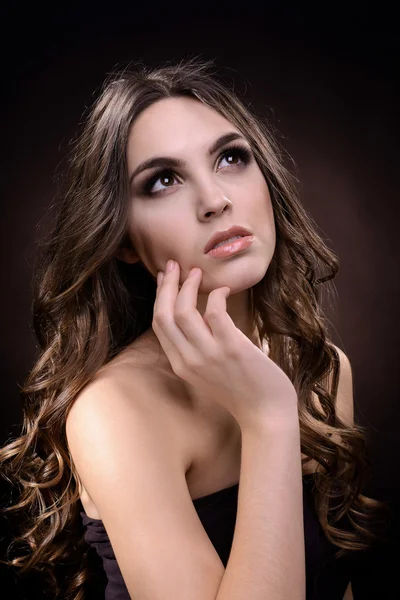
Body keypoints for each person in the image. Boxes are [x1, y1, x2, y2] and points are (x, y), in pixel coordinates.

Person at [0, 57, 389, 600]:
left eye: (231, 158)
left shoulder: (321, 369)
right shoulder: (115, 411)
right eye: (163, 180)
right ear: (125, 241)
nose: (215, 200)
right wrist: (268, 418)